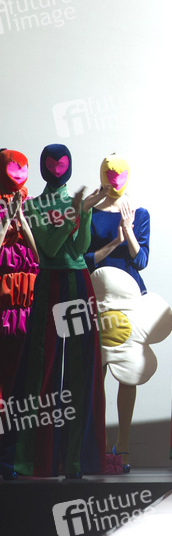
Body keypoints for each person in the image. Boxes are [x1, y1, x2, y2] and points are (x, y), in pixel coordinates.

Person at [2, 144, 106, 478]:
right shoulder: (34, 205)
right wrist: (76, 212)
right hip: (49, 285)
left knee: (81, 370)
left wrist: (83, 214)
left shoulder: (73, 202)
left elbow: (80, 248)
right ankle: (34, 458)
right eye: (52, 164)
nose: (57, 169)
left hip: (78, 283)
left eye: (62, 164)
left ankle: (76, 460)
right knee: (40, 370)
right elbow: (48, 247)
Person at [84, 155, 151, 472]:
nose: (115, 180)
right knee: (96, 371)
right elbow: (85, 259)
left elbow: (142, 261)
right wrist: (114, 243)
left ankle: (123, 445)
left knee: (128, 370)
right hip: (97, 297)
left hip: (130, 300)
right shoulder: (90, 213)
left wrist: (128, 231)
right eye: (110, 174)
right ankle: (97, 443)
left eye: (120, 174)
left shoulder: (139, 212)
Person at [0, 150, 38, 406]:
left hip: (28, 301)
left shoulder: (32, 205)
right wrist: (6, 222)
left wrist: (22, 220)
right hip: (3, 301)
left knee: (25, 372)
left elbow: (41, 256)